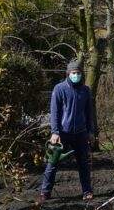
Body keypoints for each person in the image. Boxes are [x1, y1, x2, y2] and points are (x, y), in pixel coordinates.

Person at [41, 59, 96, 201]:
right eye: (73, 73)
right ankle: (45, 191)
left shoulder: (85, 90)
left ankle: (87, 191)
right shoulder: (59, 89)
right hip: (61, 134)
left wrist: (90, 132)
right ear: (68, 74)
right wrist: (54, 132)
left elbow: (90, 113)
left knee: (83, 163)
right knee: (52, 162)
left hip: (80, 133)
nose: (76, 75)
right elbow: (55, 112)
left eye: (78, 73)